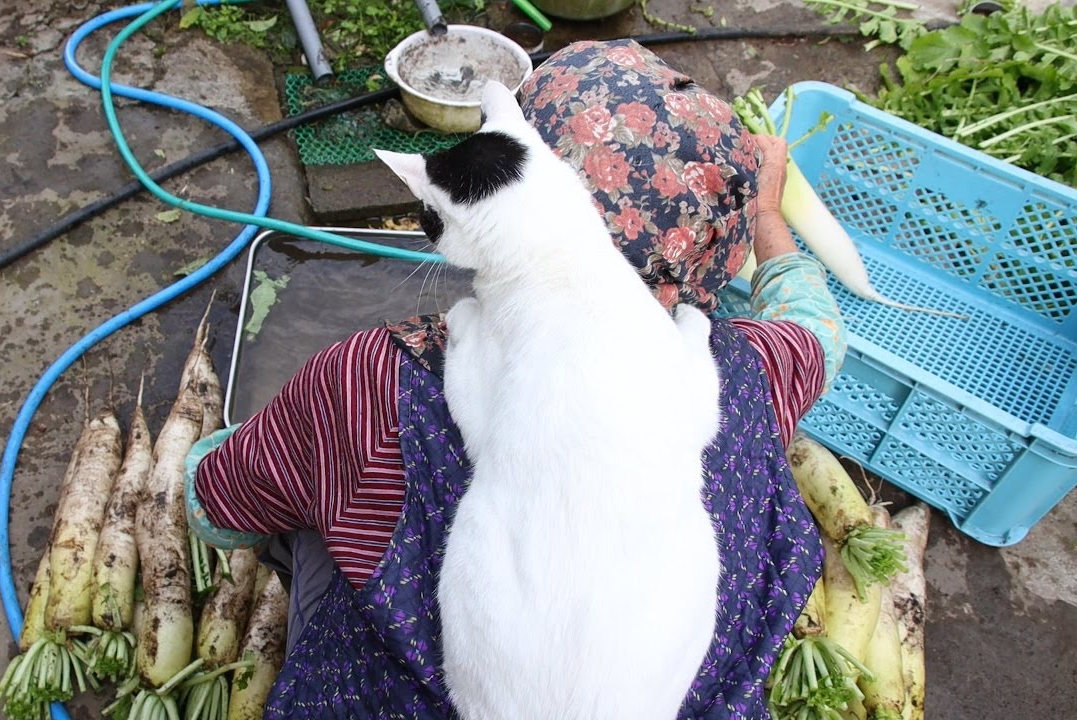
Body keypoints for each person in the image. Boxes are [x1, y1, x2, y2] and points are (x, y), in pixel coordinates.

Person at [186, 39, 845, 719]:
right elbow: (818, 332)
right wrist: (767, 217)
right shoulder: (748, 374)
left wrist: (253, 444)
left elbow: (217, 506)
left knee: (310, 504)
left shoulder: (377, 378)